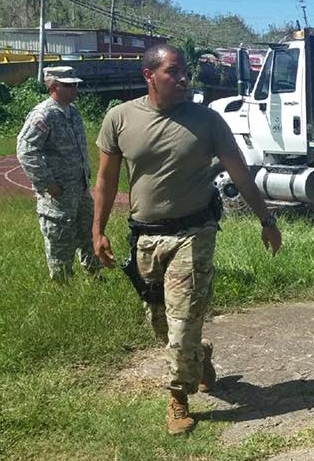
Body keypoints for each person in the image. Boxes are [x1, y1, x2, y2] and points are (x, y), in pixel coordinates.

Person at [92, 44, 282, 435]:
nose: (183, 79)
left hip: (194, 232)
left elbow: (241, 173)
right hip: (145, 235)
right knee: (161, 323)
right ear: (150, 75)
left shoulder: (207, 121)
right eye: (173, 72)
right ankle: (200, 353)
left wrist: (267, 218)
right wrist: (97, 230)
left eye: (184, 72)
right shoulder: (119, 118)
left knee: (181, 325)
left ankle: (177, 398)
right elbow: (106, 180)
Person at [16, 66, 101, 281]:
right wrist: (46, 183)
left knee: (88, 234)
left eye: (76, 85)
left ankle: (94, 275)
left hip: (80, 189)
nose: (75, 89)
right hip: (58, 193)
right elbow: (26, 151)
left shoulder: (73, 112)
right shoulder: (43, 115)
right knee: (59, 238)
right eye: (69, 85)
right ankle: (63, 285)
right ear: (53, 87)